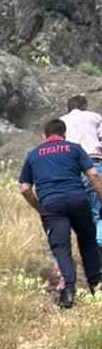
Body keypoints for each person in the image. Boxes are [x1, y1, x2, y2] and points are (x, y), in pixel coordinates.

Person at [19, 119, 102, 308]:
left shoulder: (33, 155)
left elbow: (24, 189)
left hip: (51, 204)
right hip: (78, 200)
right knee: (88, 242)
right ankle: (96, 285)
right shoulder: (74, 148)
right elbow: (93, 175)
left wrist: (39, 207)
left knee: (61, 248)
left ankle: (68, 293)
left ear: (44, 136)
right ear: (64, 135)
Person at [62, 95, 102, 246]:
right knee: (98, 210)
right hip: (93, 163)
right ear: (85, 106)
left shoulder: (61, 121)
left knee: (78, 213)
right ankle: (99, 248)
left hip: (70, 168)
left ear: (68, 107)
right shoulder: (95, 117)